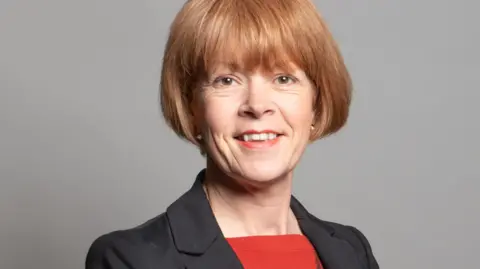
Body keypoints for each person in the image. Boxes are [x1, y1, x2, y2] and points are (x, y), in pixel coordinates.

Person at [85, 0, 380, 268]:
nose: (257, 105)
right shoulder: (131, 260)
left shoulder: (352, 252)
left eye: (283, 78)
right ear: (192, 108)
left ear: (316, 103)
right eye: (226, 80)